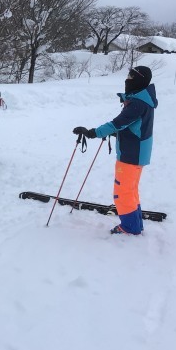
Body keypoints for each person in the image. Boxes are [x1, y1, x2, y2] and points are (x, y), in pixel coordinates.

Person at [73, 65, 157, 235]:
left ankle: (129, 227)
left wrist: (92, 133)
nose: (127, 79)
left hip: (131, 154)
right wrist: (117, 133)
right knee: (130, 190)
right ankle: (135, 224)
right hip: (136, 152)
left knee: (123, 192)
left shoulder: (138, 103)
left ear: (138, 80)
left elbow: (117, 123)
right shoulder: (142, 99)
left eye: (131, 77)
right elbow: (133, 126)